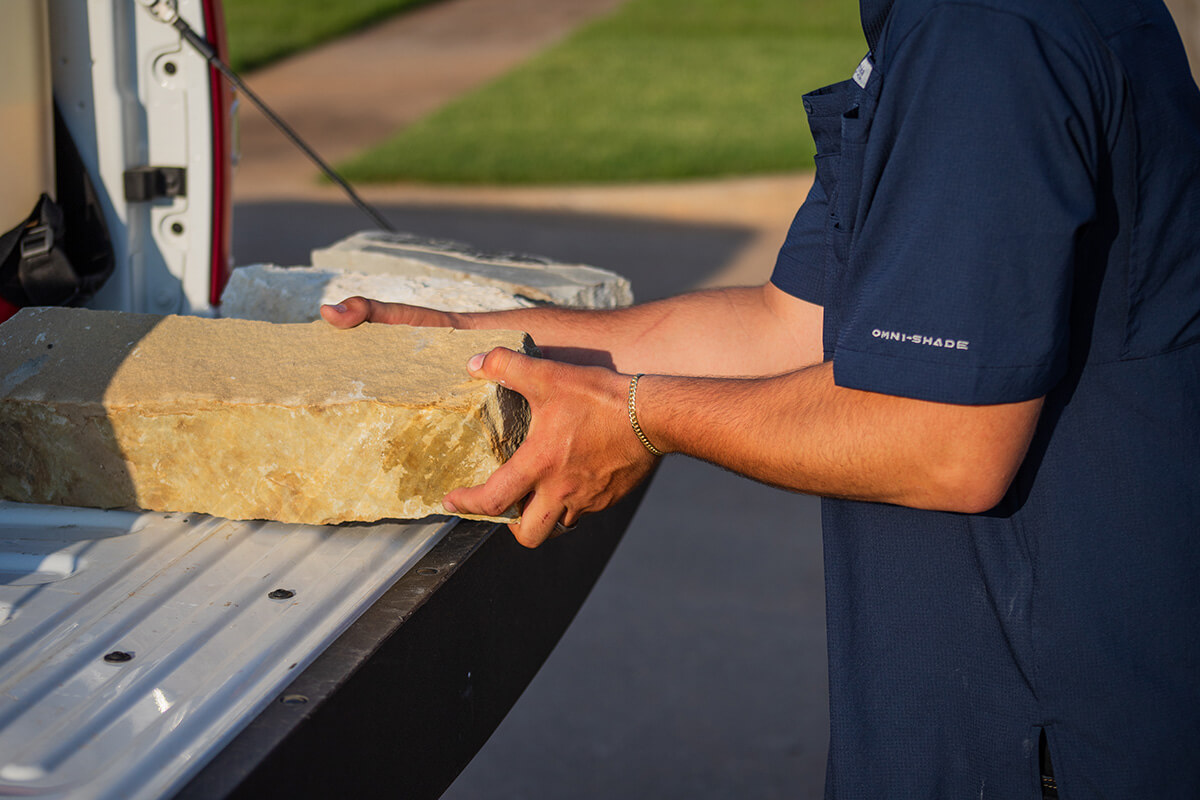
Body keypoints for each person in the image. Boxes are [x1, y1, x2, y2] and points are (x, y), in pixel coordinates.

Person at [322, 0, 1200, 795]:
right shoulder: (934, 30)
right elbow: (792, 323)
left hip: (1037, 730)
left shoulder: (980, 32)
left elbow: (945, 442)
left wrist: (638, 415)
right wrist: (480, 341)